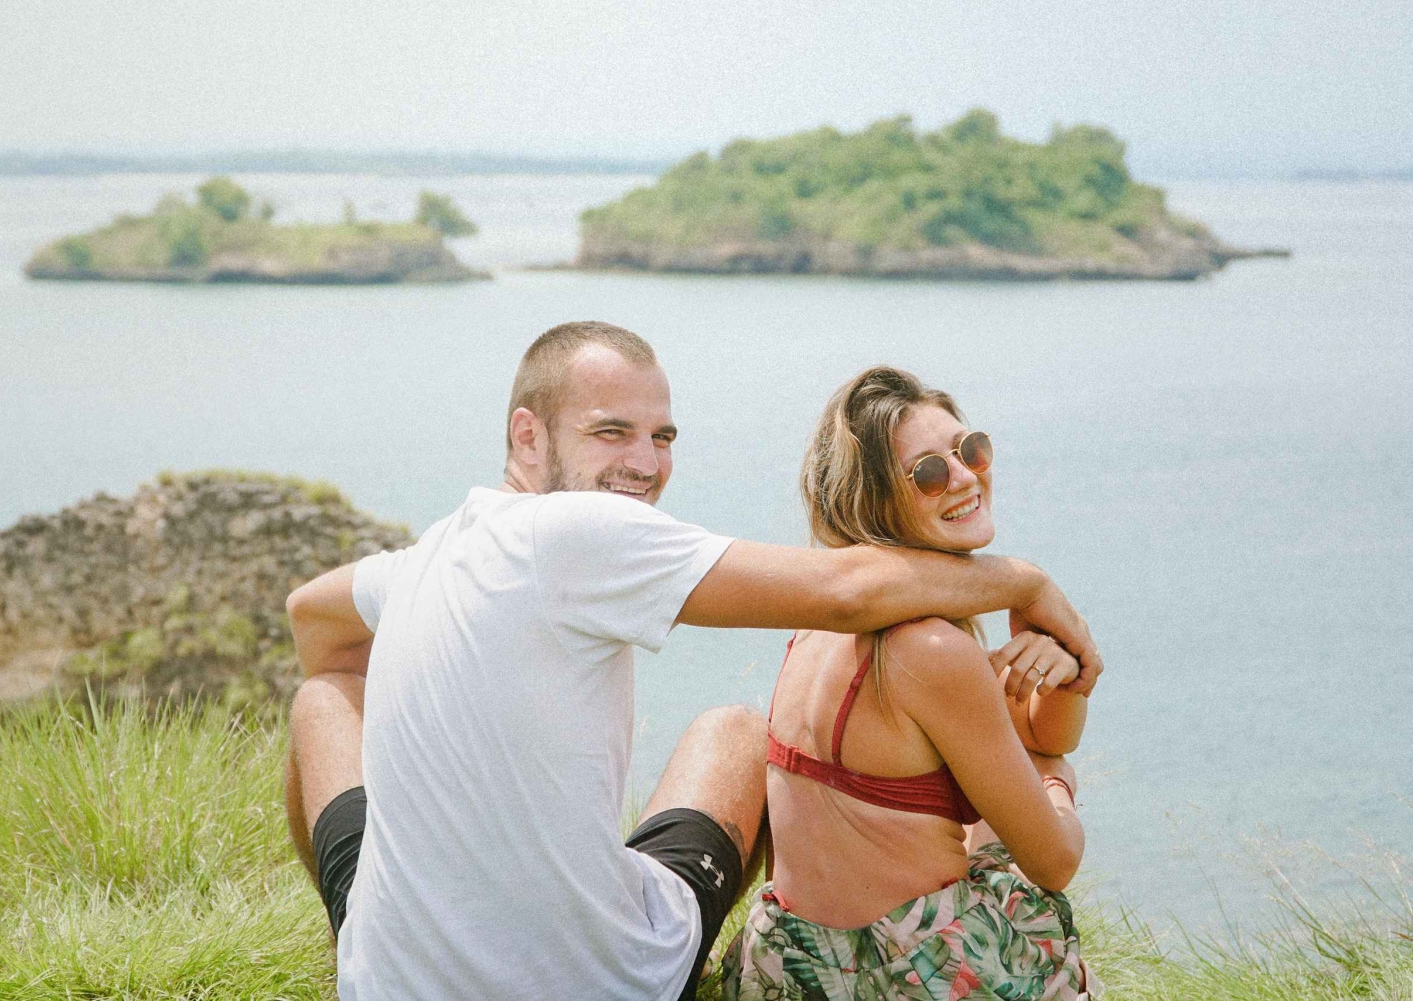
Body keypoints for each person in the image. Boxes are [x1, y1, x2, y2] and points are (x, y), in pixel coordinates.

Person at [283, 323, 1101, 1001]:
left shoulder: (433, 552)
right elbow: (848, 593)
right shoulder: (580, 528)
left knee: (322, 697)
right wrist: (1026, 583)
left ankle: (365, 927)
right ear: (528, 434)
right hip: (603, 981)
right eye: (611, 432)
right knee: (734, 734)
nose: (646, 463)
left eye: (662, 436)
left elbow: (308, 613)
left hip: (385, 978)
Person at [723, 366, 1098, 1000]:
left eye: (969, 449)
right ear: (873, 501)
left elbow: (1037, 732)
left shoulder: (817, 629)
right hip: (907, 974)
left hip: (795, 966)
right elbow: (1055, 860)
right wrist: (1057, 782)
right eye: (927, 473)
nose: (964, 477)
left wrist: (1065, 680)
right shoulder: (931, 651)